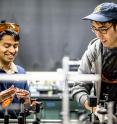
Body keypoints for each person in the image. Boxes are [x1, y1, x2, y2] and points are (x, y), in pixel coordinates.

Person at [71, 2, 117, 123]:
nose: (98, 35)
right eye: (95, 29)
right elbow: (78, 87)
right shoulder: (94, 50)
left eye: (103, 29)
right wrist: (95, 109)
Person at [0, 20, 31, 119]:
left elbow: (25, 111)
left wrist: (28, 104)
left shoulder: (21, 72)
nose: (12, 51)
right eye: (7, 46)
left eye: (15, 46)